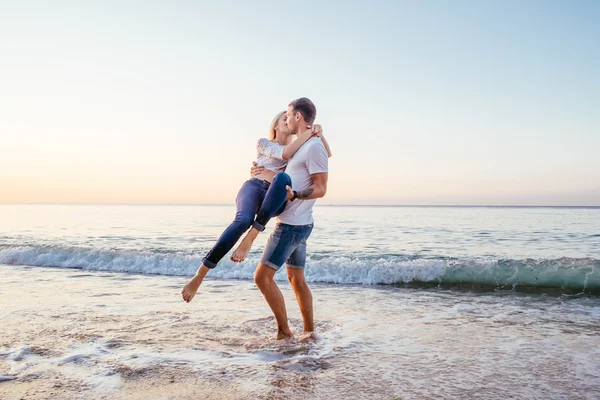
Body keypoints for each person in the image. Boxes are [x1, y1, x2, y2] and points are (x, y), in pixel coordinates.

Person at [181, 109, 330, 303]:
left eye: (289, 117)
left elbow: (324, 154)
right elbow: (283, 154)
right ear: (275, 125)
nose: (287, 120)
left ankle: (251, 237)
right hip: (253, 188)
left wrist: (319, 132)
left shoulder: (298, 150)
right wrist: (310, 133)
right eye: (283, 118)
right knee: (242, 220)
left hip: (273, 198)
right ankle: (200, 274)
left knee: (283, 177)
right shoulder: (264, 143)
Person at [250, 97, 329, 341]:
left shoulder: (313, 147)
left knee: (262, 277)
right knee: (296, 279)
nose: (285, 118)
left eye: (288, 114)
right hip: (299, 223)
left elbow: (321, 187)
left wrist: (295, 195)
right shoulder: (305, 146)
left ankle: (284, 332)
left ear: (297, 116)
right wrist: (262, 173)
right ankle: (309, 332)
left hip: (292, 225)